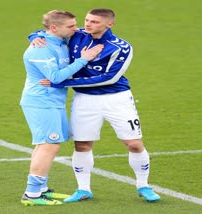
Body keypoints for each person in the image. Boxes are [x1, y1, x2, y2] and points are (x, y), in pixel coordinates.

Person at [29, 8, 160, 203]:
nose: (88, 24)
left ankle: (143, 185)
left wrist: (64, 82)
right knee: (82, 145)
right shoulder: (77, 35)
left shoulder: (120, 47)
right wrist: (34, 36)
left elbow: (109, 78)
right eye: (87, 20)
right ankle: (83, 189)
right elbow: (52, 31)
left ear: (110, 25)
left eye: (95, 22)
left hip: (117, 98)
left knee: (133, 143)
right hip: (84, 100)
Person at [20, 10, 103, 206]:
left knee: (44, 145)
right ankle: (32, 194)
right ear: (55, 28)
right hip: (41, 102)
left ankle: (41, 189)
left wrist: (34, 35)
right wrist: (85, 59)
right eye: (71, 26)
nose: (76, 29)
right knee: (50, 145)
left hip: (52, 102)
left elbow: (47, 34)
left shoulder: (60, 41)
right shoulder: (41, 49)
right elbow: (56, 78)